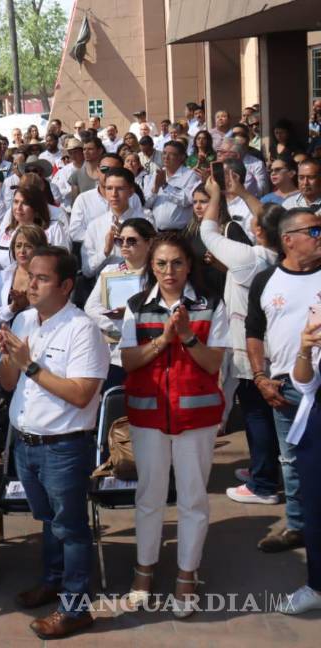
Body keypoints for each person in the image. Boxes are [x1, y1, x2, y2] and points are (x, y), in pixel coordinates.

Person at [0, 246, 109, 639]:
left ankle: (76, 606)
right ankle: (53, 579)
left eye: (42, 278)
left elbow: (81, 393)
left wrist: (29, 364)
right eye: (29, 275)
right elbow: (9, 384)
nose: (31, 284)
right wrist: (9, 359)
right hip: (27, 443)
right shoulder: (25, 319)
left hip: (64, 446)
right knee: (49, 521)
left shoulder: (83, 329)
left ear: (66, 285)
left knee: (71, 527)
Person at [119, 233, 230, 619]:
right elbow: (129, 361)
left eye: (177, 263)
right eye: (161, 264)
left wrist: (185, 336)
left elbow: (214, 364)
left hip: (196, 418)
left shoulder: (210, 306)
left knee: (193, 498)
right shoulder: (137, 306)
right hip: (148, 415)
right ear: (151, 266)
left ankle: (186, 574)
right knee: (149, 496)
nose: (169, 271)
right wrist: (163, 341)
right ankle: (143, 570)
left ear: (189, 265)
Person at [200, 175, 281, 505]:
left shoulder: (249, 257)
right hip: (272, 349)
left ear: (259, 231)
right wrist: (243, 192)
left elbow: (207, 232)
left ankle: (263, 484)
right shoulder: (280, 256)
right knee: (264, 415)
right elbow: (273, 219)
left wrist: (216, 195)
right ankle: (263, 470)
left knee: (256, 414)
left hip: (251, 352)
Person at [245, 206, 321, 552]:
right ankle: (298, 526)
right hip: (285, 387)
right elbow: (254, 333)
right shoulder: (265, 280)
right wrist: (260, 376)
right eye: (314, 231)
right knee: (291, 460)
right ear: (288, 240)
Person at [278, 316, 321, 614]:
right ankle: (317, 586)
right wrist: (304, 348)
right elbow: (305, 381)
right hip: (317, 428)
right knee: (316, 512)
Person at [83, 218, 156, 389]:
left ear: (149, 242)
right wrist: (119, 330)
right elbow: (91, 309)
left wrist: (129, 315)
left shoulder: (157, 276)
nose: (124, 245)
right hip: (112, 353)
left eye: (131, 241)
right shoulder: (110, 271)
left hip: (145, 351)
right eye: (120, 240)